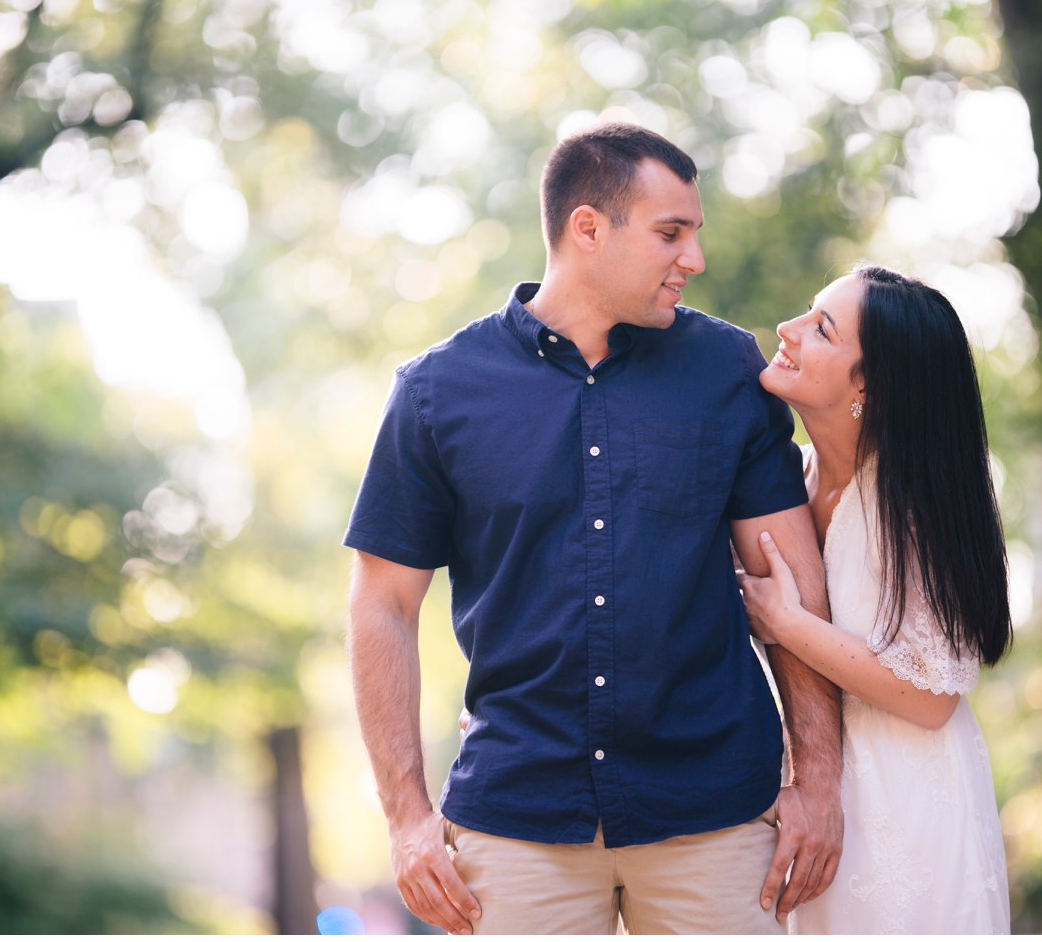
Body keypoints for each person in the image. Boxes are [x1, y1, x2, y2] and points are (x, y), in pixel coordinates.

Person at [343, 124, 843, 935]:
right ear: (587, 228)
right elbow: (382, 605)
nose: (695, 259)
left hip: (714, 812)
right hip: (517, 821)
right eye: (670, 233)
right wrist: (405, 816)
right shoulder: (438, 393)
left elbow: (794, 586)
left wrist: (819, 778)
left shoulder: (727, 371)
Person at [738, 265, 1013, 934]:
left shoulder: (915, 502)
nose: (788, 330)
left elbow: (930, 697)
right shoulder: (783, 484)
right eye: (808, 311)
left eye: (822, 329)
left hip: (909, 803)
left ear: (870, 386)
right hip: (804, 790)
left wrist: (786, 623)